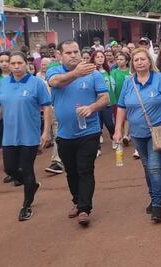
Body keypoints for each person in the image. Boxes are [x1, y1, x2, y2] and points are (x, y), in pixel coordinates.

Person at [47, 41, 109, 226]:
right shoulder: (54, 71)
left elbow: (105, 98)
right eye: (68, 52)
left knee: (85, 169)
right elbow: (56, 82)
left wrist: (92, 107)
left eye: (75, 51)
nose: (73, 55)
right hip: (65, 134)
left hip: (88, 132)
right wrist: (76, 73)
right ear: (59, 55)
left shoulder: (94, 74)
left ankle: (84, 208)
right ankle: (77, 200)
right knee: (71, 171)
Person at [0, 52, 52, 222]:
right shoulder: (4, 83)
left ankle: (26, 205)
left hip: (29, 135)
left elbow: (47, 107)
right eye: (12, 63)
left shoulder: (36, 83)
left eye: (19, 63)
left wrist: (45, 132)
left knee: (27, 169)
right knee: (9, 169)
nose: (15, 66)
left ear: (26, 64)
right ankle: (32, 186)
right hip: (9, 135)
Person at [113, 48, 161, 223]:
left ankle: (157, 204)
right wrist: (118, 129)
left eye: (143, 59)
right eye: (136, 60)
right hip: (137, 134)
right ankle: (153, 196)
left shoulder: (159, 79)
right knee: (147, 167)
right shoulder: (128, 82)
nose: (139, 62)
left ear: (149, 61)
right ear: (132, 64)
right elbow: (121, 107)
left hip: (157, 132)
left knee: (154, 168)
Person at [90, 50, 115, 155]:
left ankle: (114, 138)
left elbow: (111, 87)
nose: (100, 58)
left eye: (102, 57)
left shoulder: (108, 71)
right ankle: (97, 148)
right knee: (97, 125)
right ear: (93, 59)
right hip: (95, 103)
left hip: (107, 103)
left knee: (109, 123)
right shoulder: (90, 72)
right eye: (98, 57)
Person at [111, 52, 135, 156]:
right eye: (118, 59)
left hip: (129, 98)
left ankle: (126, 135)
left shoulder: (131, 72)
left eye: (121, 59)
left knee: (127, 118)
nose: (119, 61)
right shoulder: (114, 72)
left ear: (126, 61)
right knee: (118, 117)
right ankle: (120, 133)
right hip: (117, 98)